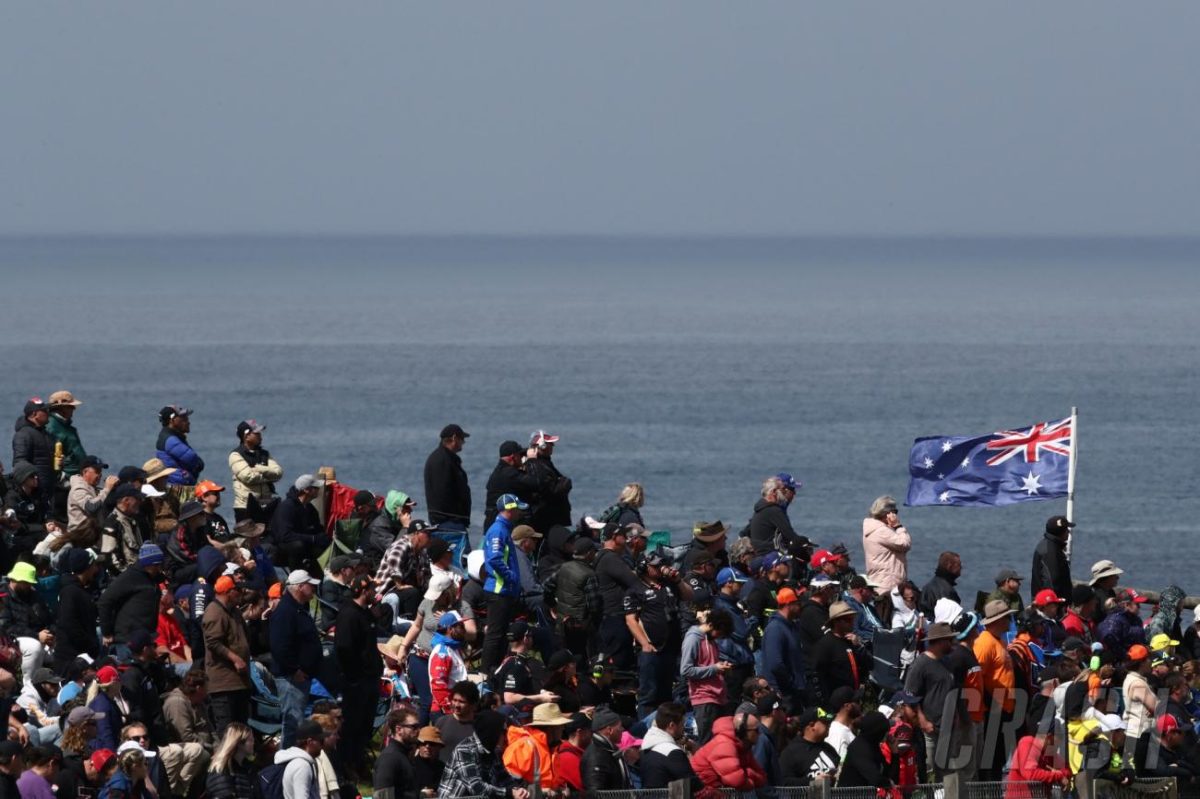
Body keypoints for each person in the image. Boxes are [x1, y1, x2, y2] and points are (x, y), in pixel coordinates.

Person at [623, 549, 685, 719]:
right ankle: (644, 730)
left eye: (662, 565)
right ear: (645, 566)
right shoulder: (635, 590)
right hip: (651, 650)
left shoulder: (669, 585)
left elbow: (690, 595)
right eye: (656, 566)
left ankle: (665, 726)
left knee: (666, 693)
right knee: (649, 694)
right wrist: (644, 643)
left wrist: (678, 580)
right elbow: (631, 620)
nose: (660, 568)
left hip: (671, 648)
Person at [269, 570, 324, 748]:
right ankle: (287, 762)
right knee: (293, 723)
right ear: (300, 587)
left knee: (298, 721)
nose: (314, 588)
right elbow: (279, 646)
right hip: (290, 678)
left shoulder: (298, 608)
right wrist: (294, 670)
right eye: (311, 585)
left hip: (301, 676)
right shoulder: (285, 611)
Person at [334, 574, 384, 769]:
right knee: (352, 725)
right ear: (364, 591)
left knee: (365, 724)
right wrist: (353, 677)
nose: (375, 593)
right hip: (356, 681)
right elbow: (344, 648)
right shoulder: (349, 615)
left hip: (370, 678)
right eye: (372, 589)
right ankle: (347, 764)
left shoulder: (365, 613)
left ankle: (359, 761)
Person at [905, 622, 963, 778]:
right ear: (940, 641)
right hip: (931, 730)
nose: (953, 643)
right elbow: (909, 698)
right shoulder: (920, 665)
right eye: (950, 640)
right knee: (931, 772)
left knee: (949, 771)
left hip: (949, 728)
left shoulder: (947, 662)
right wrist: (923, 722)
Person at [480, 493, 526, 675]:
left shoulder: (504, 529)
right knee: (495, 635)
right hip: (498, 590)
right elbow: (495, 559)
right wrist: (511, 577)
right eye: (517, 509)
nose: (519, 513)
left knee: (501, 636)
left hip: (506, 591)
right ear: (509, 510)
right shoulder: (498, 530)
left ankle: (496, 672)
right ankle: (485, 675)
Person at [203, 574, 251, 736]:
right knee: (227, 732)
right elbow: (213, 643)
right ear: (228, 592)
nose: (241, 592)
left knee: (242, 731)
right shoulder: (214, 612)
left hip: (239, 682)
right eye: (237, 590)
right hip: (223, 684)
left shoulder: (234, 612)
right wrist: (236, 659)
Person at [974, 599, 1017, 779]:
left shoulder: (998, 641)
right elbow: (977, 677)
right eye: (1007, 617)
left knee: (998, 758)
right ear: (998, 620)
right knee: (990, 760)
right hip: (993, 708)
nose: (1010, 620)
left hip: (1003, 708)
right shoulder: (985, 643)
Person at [439, 710, 526, 799]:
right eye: (503, 732)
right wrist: (510, 793)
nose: (505, 736)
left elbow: (504, 778)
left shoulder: (495, 751)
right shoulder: (465, 751)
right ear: (492, 734)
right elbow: (476, 787)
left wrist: (518, 790)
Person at [98, 543, 165, 650]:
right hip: (127, 641)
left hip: (146, 639)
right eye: (156, 565)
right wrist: (107, 632)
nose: (159, 568)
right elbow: (105, 601)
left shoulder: (153, 578)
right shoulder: (130, 577)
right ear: (147, 564)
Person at [681, 608, 734, 743]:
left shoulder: (710, 640)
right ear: (710, 625)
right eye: (718, 632)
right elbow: (686, 670)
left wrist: (721, 668)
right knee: (707, 743)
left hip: (719, 697)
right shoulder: (693, 639)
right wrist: (714, 668)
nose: (718, 636)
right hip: (704, 698)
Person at [592, 523, 640, 670]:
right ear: (614, 537)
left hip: (608, 616)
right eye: (623, 536)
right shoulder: (610, 558)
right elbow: (633, 581)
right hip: (614, 616)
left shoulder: (602, 556)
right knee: (620, 660)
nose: (626, 539)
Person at [552, 536, 602, 667]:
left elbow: (547, 586)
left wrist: (552, 605)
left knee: (566, 656)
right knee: (582, 657)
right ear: (589, 553)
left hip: (562, 622)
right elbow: (594, 605)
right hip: (581, 625)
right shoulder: (589, 574)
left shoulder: (563, 567)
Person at [691, 711, 768, 793]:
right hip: (701, 790)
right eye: (756, 730)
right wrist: (750, 777)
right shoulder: (724, 744)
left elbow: (762, 778)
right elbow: (737, 781)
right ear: (742, 731)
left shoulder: (744, 747)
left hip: (717, 791)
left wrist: (748, 774)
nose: (759, 734)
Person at [1, 560, 54, 678]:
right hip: (14, 639)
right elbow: (6, 627)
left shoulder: (33, 595)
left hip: (40, 636)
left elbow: (48, 618)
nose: (29, 586)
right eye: (26, 583)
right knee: (34, 647)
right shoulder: (3, 596)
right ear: (17, 580)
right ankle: (29, 684)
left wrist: (51, 634)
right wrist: (36, 635)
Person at [502, 702, 572, 791]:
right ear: (551, 728)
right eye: (560, 726)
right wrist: (538, 791)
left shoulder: (551, 747)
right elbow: (508, 784)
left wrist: (560, 789)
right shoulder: (523, 747)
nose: (563, 728)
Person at [811, 600, 869, 703]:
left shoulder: (852, 641)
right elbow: (818, 678)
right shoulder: (825, 645)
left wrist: (859, 646)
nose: (852, 622)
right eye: (847, 619)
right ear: (836, 621)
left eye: (852, 618)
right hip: (837, 703)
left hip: (855, 700)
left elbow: (869, 664)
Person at [227, 419, 282, 523]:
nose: (260, 436)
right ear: (246, 436)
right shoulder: (235, 455)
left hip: (266, 504)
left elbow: (278, 473)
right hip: (245, 506)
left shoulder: (264, 454)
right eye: (256, 433)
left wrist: (259, 469)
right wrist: (268, 475)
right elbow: (248, 477)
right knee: (247, 537)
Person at [270, 475, 328, 570]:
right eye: (316, 488)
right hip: (281, 548)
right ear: (306, 490)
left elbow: (317, 529)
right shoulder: (287, 507)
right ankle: (295, 579)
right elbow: (285, 536)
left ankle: (317, 579)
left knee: (322, 546)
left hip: (304, 544)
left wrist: (323, 537)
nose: (319, 490)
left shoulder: (310, 509)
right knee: (298, 546)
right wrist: (312, 538)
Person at [481, 440, 540, 531]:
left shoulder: (500, 471)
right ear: (513, 457)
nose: (522, 458)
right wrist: (532, 461)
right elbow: (536, 483)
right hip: (502, 526)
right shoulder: (509, 474)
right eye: (520, 455)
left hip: (493, 522)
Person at [523, 430, 572, 532]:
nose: (553, 446)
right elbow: (550, 490)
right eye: (550, 444)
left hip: (549, 518)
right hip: (545, 519)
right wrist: (565, 483)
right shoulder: (537, 465)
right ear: (542, 446)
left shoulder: (544, 463)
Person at [639, 702, 697, 789]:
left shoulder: (646, 746)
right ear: (672, 725)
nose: (683, 728)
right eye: (682, 724)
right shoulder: (672, 752)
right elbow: (694, 785)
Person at [749, 473, 809, 556]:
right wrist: (807, 542)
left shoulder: (762, 508)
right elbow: (791, 537)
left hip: (763, 554)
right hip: (769, 556)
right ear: (774, 491)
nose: (794, 493)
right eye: (783, 490)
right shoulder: (773, 510)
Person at [424, 424, 471, 529]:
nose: (463, 442)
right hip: (449, 520)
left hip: (447, 519)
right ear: (454, 438)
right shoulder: (443, 460)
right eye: (462, 439)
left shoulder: (443, 458)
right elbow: (442, 491)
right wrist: (455, 517)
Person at [862, 495, 911, 592]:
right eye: (895, 512)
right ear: (887, 513)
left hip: (879, 581)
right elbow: (904, 544)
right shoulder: (881, 531)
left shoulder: (873, 529)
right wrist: (898, 526)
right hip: (888, 583)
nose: (896, 515)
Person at [780, 706, 839, 785]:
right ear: (812, 725)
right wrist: (812, 781)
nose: (829, 725)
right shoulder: (790, 752)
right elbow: (783, 782)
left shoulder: (829, 749)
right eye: (825, 722)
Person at [1007, 726, 1072, 798]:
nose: (1059, 744)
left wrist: (1062, 775)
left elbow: (1066, 769)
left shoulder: (1049, 752)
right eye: (1059, 739)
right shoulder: (1027, 743)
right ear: (1049, 737)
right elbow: (1030, 773)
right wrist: (1058, 776)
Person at [12, 397, 55, 503]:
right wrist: (32, 484)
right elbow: (20, 462)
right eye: (44, 411)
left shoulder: (45, 434)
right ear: (34, 414)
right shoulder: (23, 434)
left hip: (49, 488)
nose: (48, 413)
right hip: (36, 491)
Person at [100, 485, 150, 574]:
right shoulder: (112, 523)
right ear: (126, 500)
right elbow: (110, 558)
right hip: (126, 577)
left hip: (138, 572)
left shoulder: (132, 520)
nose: (140, 501)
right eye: (137, 499)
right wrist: (127, 576)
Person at [429, 611, 470, 720]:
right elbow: (438, 684)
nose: (464, 629)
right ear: (450, 629)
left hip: (456, 707)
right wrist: (450, 710)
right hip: (445, 711)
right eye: (460, 626)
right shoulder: (442, 652)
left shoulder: (453, 648)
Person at [837, 710, 893, 788]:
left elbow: (891, 775)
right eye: (883, 732)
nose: (886, 735)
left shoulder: (874, 746)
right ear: (877, 732)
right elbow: (875, 778)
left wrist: (894, 752)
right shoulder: (859, 748)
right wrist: (889, 784)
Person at [581, 708, 631, 794]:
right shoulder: (596, 756)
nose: (622, 729)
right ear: (610, 730)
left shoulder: (609, 750)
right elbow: (596, 792)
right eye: (620, 727)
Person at [66, 454, 117, 539]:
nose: (100, 475)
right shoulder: (78, 488)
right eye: (97, 471)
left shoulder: (93, 488)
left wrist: (114, 491)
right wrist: (107, 489)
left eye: (100, 471)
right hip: (79, 539)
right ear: (85, 472)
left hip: (91, 538)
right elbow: (91, 507)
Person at [162, 668, 214, 751]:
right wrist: (211, 749)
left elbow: (211, 730)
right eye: (206, 688)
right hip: (191, 750)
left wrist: (220, 747)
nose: (207, 691)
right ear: (198, 688)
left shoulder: (199, 702)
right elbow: (186, 736)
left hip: (207, 746)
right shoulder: (177, 703)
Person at [363, 490, 417, 570]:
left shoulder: (395, 521)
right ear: (395, 509)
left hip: (395, 565)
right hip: (378, 570)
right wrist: (405, 528)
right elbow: (395, 551)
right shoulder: (378, 527)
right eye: (406, 507)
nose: (410, 510)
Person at [373, 708, 420, 799]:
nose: (418, 730)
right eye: (414, 727)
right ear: (399, 729)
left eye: (418, 726)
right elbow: (383, 796)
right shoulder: (390, 758)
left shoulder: (404, 755)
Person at [206, 722, 257, 799]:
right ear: (239, 743)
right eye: (250, 740)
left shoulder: (247, 768)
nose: (253, 742)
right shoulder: (221, 770)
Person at [276, 719, 325, 799]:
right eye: (321, 741)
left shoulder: (302, 762)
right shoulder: (302, 766)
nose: (322, 746)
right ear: (310, 742)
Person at [155, 405, 203, 486]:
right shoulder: (171, 440)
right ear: (172, 420)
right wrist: (199, 465)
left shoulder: (170, 437)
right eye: (184, 419)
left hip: (176, 483)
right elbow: (193, 460)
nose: (188, 422)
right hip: (178, 486)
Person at [434, 681, 479, 764]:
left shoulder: (479, 726)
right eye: (454, 700)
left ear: (472, 704)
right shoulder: (442, 722)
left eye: (462, 702)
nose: (456, 705)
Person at [1031, 515, 1074, 602]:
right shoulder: (1050, 551)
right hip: (1050, 606)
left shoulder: (1050, 546)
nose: (1069, 531)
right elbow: (1051, 581)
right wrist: (1057, 605)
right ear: (1061, 532)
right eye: (1066, 529)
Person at [46, 391, 87, 479]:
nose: (74, 409)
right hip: (67, 478)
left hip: (76, 475)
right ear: (62, 408)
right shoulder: (52, 427)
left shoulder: (65, 427)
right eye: (71, 406)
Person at [554, 713, 592, 794]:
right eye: (590, 731)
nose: (592, 735)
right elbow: (586, 789)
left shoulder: (577, 753)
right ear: (580, 732)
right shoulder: (567, 758)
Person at [919, 551, 962, 618]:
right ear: (949, 566)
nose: (961, 568)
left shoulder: (928, 586)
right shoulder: (947, 591)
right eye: (959, 565)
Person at [412, 727, 446, 796]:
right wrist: (420, 794)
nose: (427, 746)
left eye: (432, 744)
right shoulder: (409, 765)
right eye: (424, 743)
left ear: (439, 747)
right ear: (418, 745)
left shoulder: (443, 768)